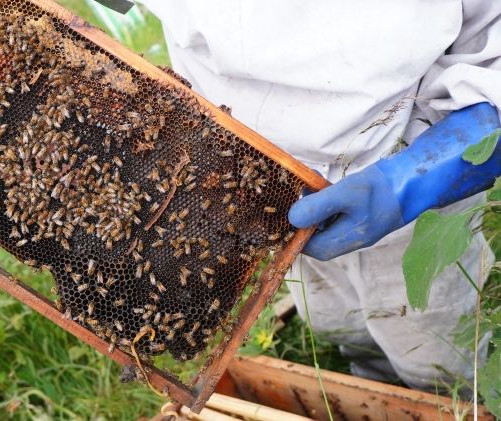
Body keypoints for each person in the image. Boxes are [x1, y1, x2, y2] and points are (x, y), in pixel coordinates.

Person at [138, 0, 501, 393]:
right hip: (245, 188)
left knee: (437, 355)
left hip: (401, 181)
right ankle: (372, 379)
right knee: (335, 320)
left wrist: (411, 180)